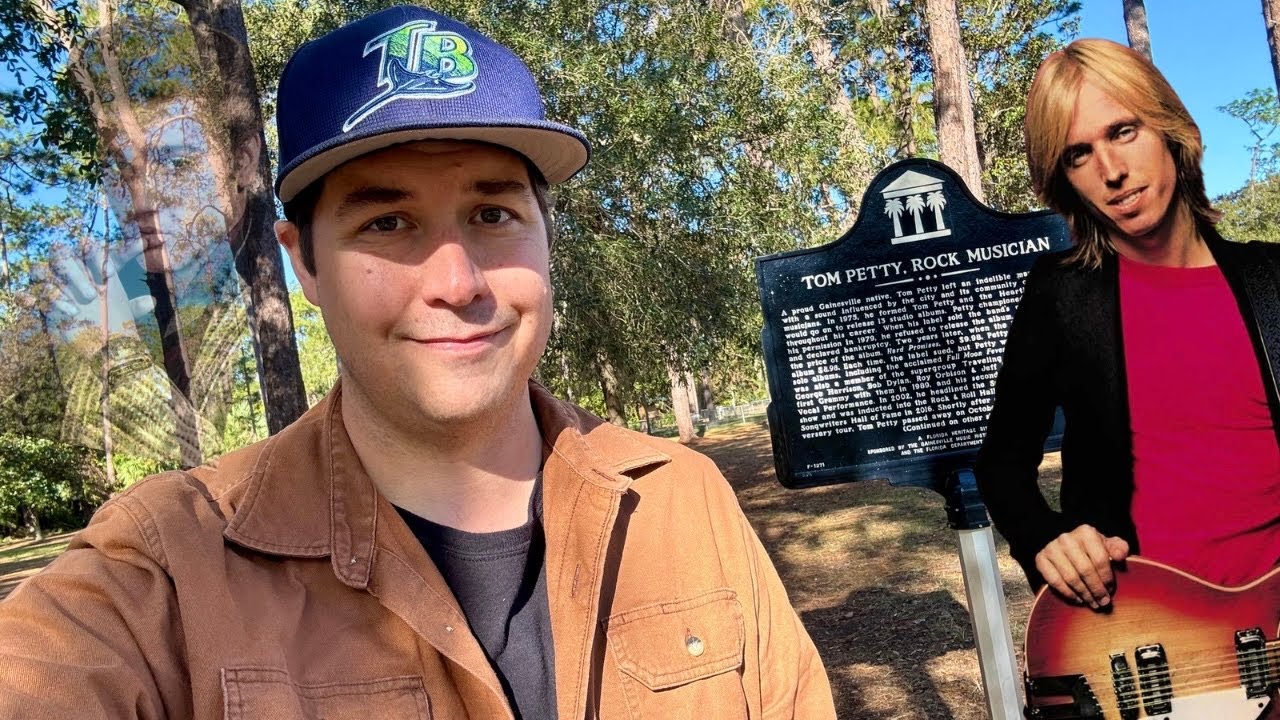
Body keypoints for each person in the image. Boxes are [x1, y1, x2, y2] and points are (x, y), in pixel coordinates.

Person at [0, 7, 835, 718]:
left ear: (546, 239)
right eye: (387, 224)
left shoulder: (682, 502)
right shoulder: (168, 569)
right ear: (304, 263)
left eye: (493, 214)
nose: (457, 282)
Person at [976, 38, 1280, 610]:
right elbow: (1002, 463)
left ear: (1169, 128)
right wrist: (1044, 539)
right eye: (1078, 154)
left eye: (1123, 131)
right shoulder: (1061, 295)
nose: (1112, 171)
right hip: (1138, 631)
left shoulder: (1272, 280)